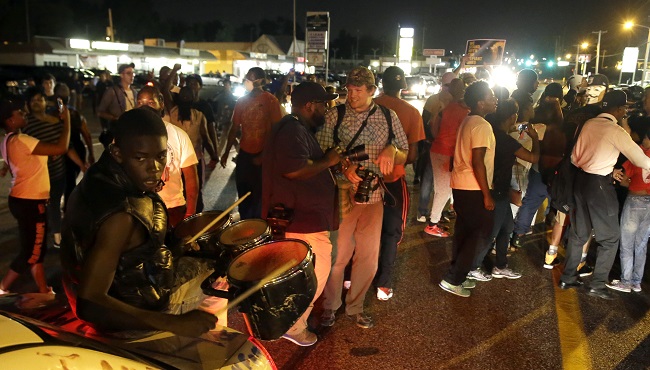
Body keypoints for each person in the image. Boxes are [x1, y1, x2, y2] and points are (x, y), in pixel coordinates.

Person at [60, 108, 217, 336]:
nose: (154, 169)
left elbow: (131, 255)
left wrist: (175, 248)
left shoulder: (98, 177)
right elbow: (89, 302)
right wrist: (173, 323)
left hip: (125, 287)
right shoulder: (122, 215)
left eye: (161, 156)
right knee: (218, 275)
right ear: (117, 152)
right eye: (141, 158)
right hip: (130, 315)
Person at [316, 66, 409, 328]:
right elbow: (321, 154)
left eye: (358, 90)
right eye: (349, 89)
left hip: (375, 195)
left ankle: (355, 306)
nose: (352, 94)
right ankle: (330, 306)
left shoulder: (388, 116)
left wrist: (392, 149)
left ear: (372, 91)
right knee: (339, 255)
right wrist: (344, 166)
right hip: (343, 194)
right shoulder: (336, 115)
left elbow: (405, 150)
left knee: (368, 257)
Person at [261, 81, 340, 346]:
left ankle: (290, 322)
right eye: (324, 105)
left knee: (308, 273)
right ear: (309, 105)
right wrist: (329, 160)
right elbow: (294, 169)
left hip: (304, 217)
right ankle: (293, 326)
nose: (327, 110)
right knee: (315, 274)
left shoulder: (297, 128)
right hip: (300, 219)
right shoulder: (291, 129)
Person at [559, 90, 650, 299]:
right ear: (619, 110)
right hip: (599, 185)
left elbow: (573, 157)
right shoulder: (615, 130)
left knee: (579, 233)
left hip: (580, 181)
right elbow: (641, 160)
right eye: (624, 108)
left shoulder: (588, 124)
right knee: (610, 238)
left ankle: (568, 278)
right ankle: (597, 284)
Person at [0, 97, 70, 308]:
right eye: (19, 113)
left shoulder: (8, 140)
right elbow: (61, 148)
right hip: (31, 201)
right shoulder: (24, 140)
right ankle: (3, 288)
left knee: (35, 248)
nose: (24, 114)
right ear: (10, 121)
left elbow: (26, 161)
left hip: (22, 199)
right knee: (31, 251)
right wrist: (66, 121)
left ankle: (43, 289)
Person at [439, 80, 496, 297]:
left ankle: (458, 275)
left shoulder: (468, 121)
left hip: (461, 184)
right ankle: (454, 278)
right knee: (480, 233)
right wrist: (487, 194)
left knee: (464, 231)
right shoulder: (481, 125)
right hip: (473, 186)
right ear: (481, 103)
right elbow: (478, 161)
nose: (495, 100)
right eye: (491, 96)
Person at [471, 98, 539, 280]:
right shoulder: (506, 141)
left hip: (494, 187)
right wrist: (535, 138)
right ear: (512, 116)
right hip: (496, 191)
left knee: (506, 228)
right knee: (491, 232)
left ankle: (500, 265)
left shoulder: (491, 134)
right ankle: (473, 267)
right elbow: (533, 157)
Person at [373, 66, 425, 301]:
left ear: (381, 84)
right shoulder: (411, 112)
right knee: (391, 232)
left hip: (363, 178)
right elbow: (412, 155)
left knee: (360, 229)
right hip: (393, 179)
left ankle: (351, 277)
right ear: (403, 85)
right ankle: (383, 283)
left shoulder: (367, 106)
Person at [220, 67, 283, 219]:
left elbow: (277, 131)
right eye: (247, 78)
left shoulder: (270, 101)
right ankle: (245, 227)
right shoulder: (241, 101)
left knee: (260, 198)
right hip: (245, 156)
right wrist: (226, 152)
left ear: (260, 81)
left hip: (264, 158)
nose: (247, 81)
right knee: (244, 194)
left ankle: (259, 231)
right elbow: (234, 128)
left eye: (250, 78)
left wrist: (265, 155)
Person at [136, 85, 199, 228]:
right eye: (140, 102)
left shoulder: (179, 136)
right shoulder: (126, 136)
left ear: (161, 104)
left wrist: (189, 215)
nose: (144, 107)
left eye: (151, 103)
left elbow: (191, 179)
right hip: (139, 209)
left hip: (172, 208)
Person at [606, 120, 650, 293]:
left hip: (635, 202)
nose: (643, 140)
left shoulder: (639, 154)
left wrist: (629, 183)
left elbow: (623, 179)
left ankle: (625, 281)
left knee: (627, 243)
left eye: (645, 138)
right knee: (641, 244)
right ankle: (636, 282)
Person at [424, 78, 470, 237]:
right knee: (443, 190)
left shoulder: (444, 108)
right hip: (447, 153)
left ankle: (435, 217)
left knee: (442, 189)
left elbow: (434, 129)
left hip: (438, 149)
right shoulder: (465, 111)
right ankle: (432, 225)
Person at [169, 86, 217, 214]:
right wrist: (214, 156)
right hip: (193, 162)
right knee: (195, 192)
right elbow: (206, 139)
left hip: (174, 163)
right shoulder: (199, 116)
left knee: (178, 192)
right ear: (193, 100)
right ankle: (195, 220)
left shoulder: (171, 114)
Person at [417, 72, 457, 220]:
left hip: (437, 145)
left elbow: (424, 120)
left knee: (437, 182)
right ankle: (427, 212)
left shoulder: (437, 100)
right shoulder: (447, 102)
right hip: (439, 146)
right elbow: (425, 121)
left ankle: (428, 212)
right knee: (433, 181)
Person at [55, 83, 94, 210]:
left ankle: (66, 209)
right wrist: (91, 154)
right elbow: (87, 135)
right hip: (78, 149)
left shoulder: (54, 115)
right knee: (71, 182)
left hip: (62, 151)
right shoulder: (76, 114)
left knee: (67, 182)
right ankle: (68, 208)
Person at [97, 63, 138, 148]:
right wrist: (114, 118)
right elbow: (100, 112)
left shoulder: (134, 92)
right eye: (129, 73)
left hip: (132, 129)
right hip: (117, 130)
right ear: (121, 75)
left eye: (133, 73)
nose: (132, 76)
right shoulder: (112, 91)